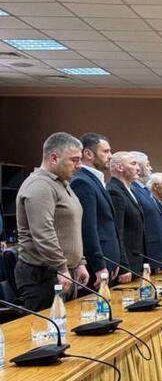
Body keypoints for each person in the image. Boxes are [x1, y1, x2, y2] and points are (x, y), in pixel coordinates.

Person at [15, 132, 89, 310]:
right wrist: (61, 267)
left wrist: (79, 263)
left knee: (68, 323)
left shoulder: (62, 183)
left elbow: (70, 228)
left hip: (62, 271)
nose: (79, 165)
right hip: (43, 274)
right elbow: (43, 232)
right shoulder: (40, 185)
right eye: (74, 160)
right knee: (49, 326)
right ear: (54, 158)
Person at [70, 132, 123, 287]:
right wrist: (98, 265)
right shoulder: (82, 182)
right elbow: (87, 228)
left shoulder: (95, 179)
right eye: (105, 151)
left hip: (108, 261)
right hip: (97, 267)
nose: (110, 156)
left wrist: (115, 259)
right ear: (88, 154)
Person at [107, 151, 143, 279]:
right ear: (120, 167)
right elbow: (117, 232)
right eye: (133, 164)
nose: (138, 168)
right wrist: (123, 267)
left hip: (137, 261)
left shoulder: (130, 190)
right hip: (127, 266)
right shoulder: (114, 191)